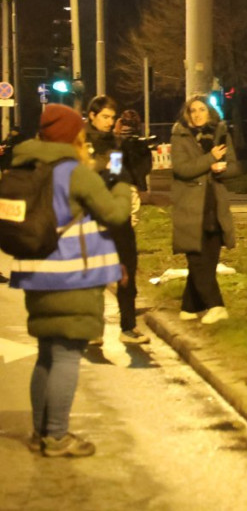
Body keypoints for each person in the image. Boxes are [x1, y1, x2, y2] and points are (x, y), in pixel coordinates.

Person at [8, 104, 131, 456]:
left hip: (36, 274)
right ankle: (57, 436)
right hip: (73, 276)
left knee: (47, 354)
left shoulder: (26, 166)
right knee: (66, 356)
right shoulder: (75, 172)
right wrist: (122, 184)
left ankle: (40, 431)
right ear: (72, 134)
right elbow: (115, 213)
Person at [85, 95, 149, 345]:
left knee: (127, 270)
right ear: (92, 116)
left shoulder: (116, 142)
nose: (109, 122)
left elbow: (118, 174)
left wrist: (138, 155)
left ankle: (128, 327)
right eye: (105, 117)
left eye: (112, 118)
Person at [170, 94, 239, 324]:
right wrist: (210, 159)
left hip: (214, 205)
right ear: (187, 114)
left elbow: (234, 167)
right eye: (193, 110)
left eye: (202, 109)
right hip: (191, 207)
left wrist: (223, 169)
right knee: (197, 259)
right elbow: (182, 169)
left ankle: (190, 306)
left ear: (210, 112)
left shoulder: (221, 133)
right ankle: (216, 305)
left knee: (208, 259)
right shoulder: (180, 135)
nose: (198, 114)